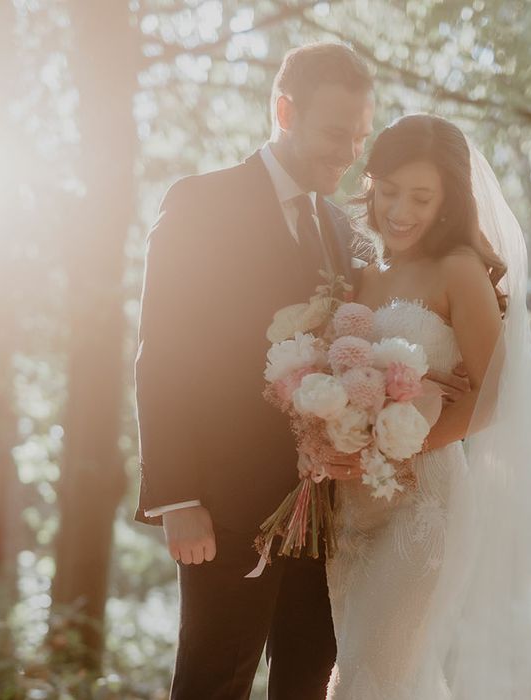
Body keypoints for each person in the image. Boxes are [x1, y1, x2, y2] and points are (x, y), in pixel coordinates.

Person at [133, 43, 374, 699]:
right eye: (334, 133)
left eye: (359, 137)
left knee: (305, 682)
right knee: (214, 679)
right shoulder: (201, 203)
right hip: (223, 504)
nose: (347, 153)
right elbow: (166, 351)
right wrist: (177, 497)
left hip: (325, 508)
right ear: (283, 110)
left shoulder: (344, 232)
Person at [325, 114, 531, 699]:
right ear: (371, 183)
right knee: (385, 676)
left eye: (421, 196)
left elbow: (495, 396)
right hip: (347, 509)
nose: (400, 210)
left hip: (423, 502)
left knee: (366, 680)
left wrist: (401, 448)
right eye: (389, 191)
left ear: (447, 200)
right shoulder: (360, 275)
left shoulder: (458, 270)